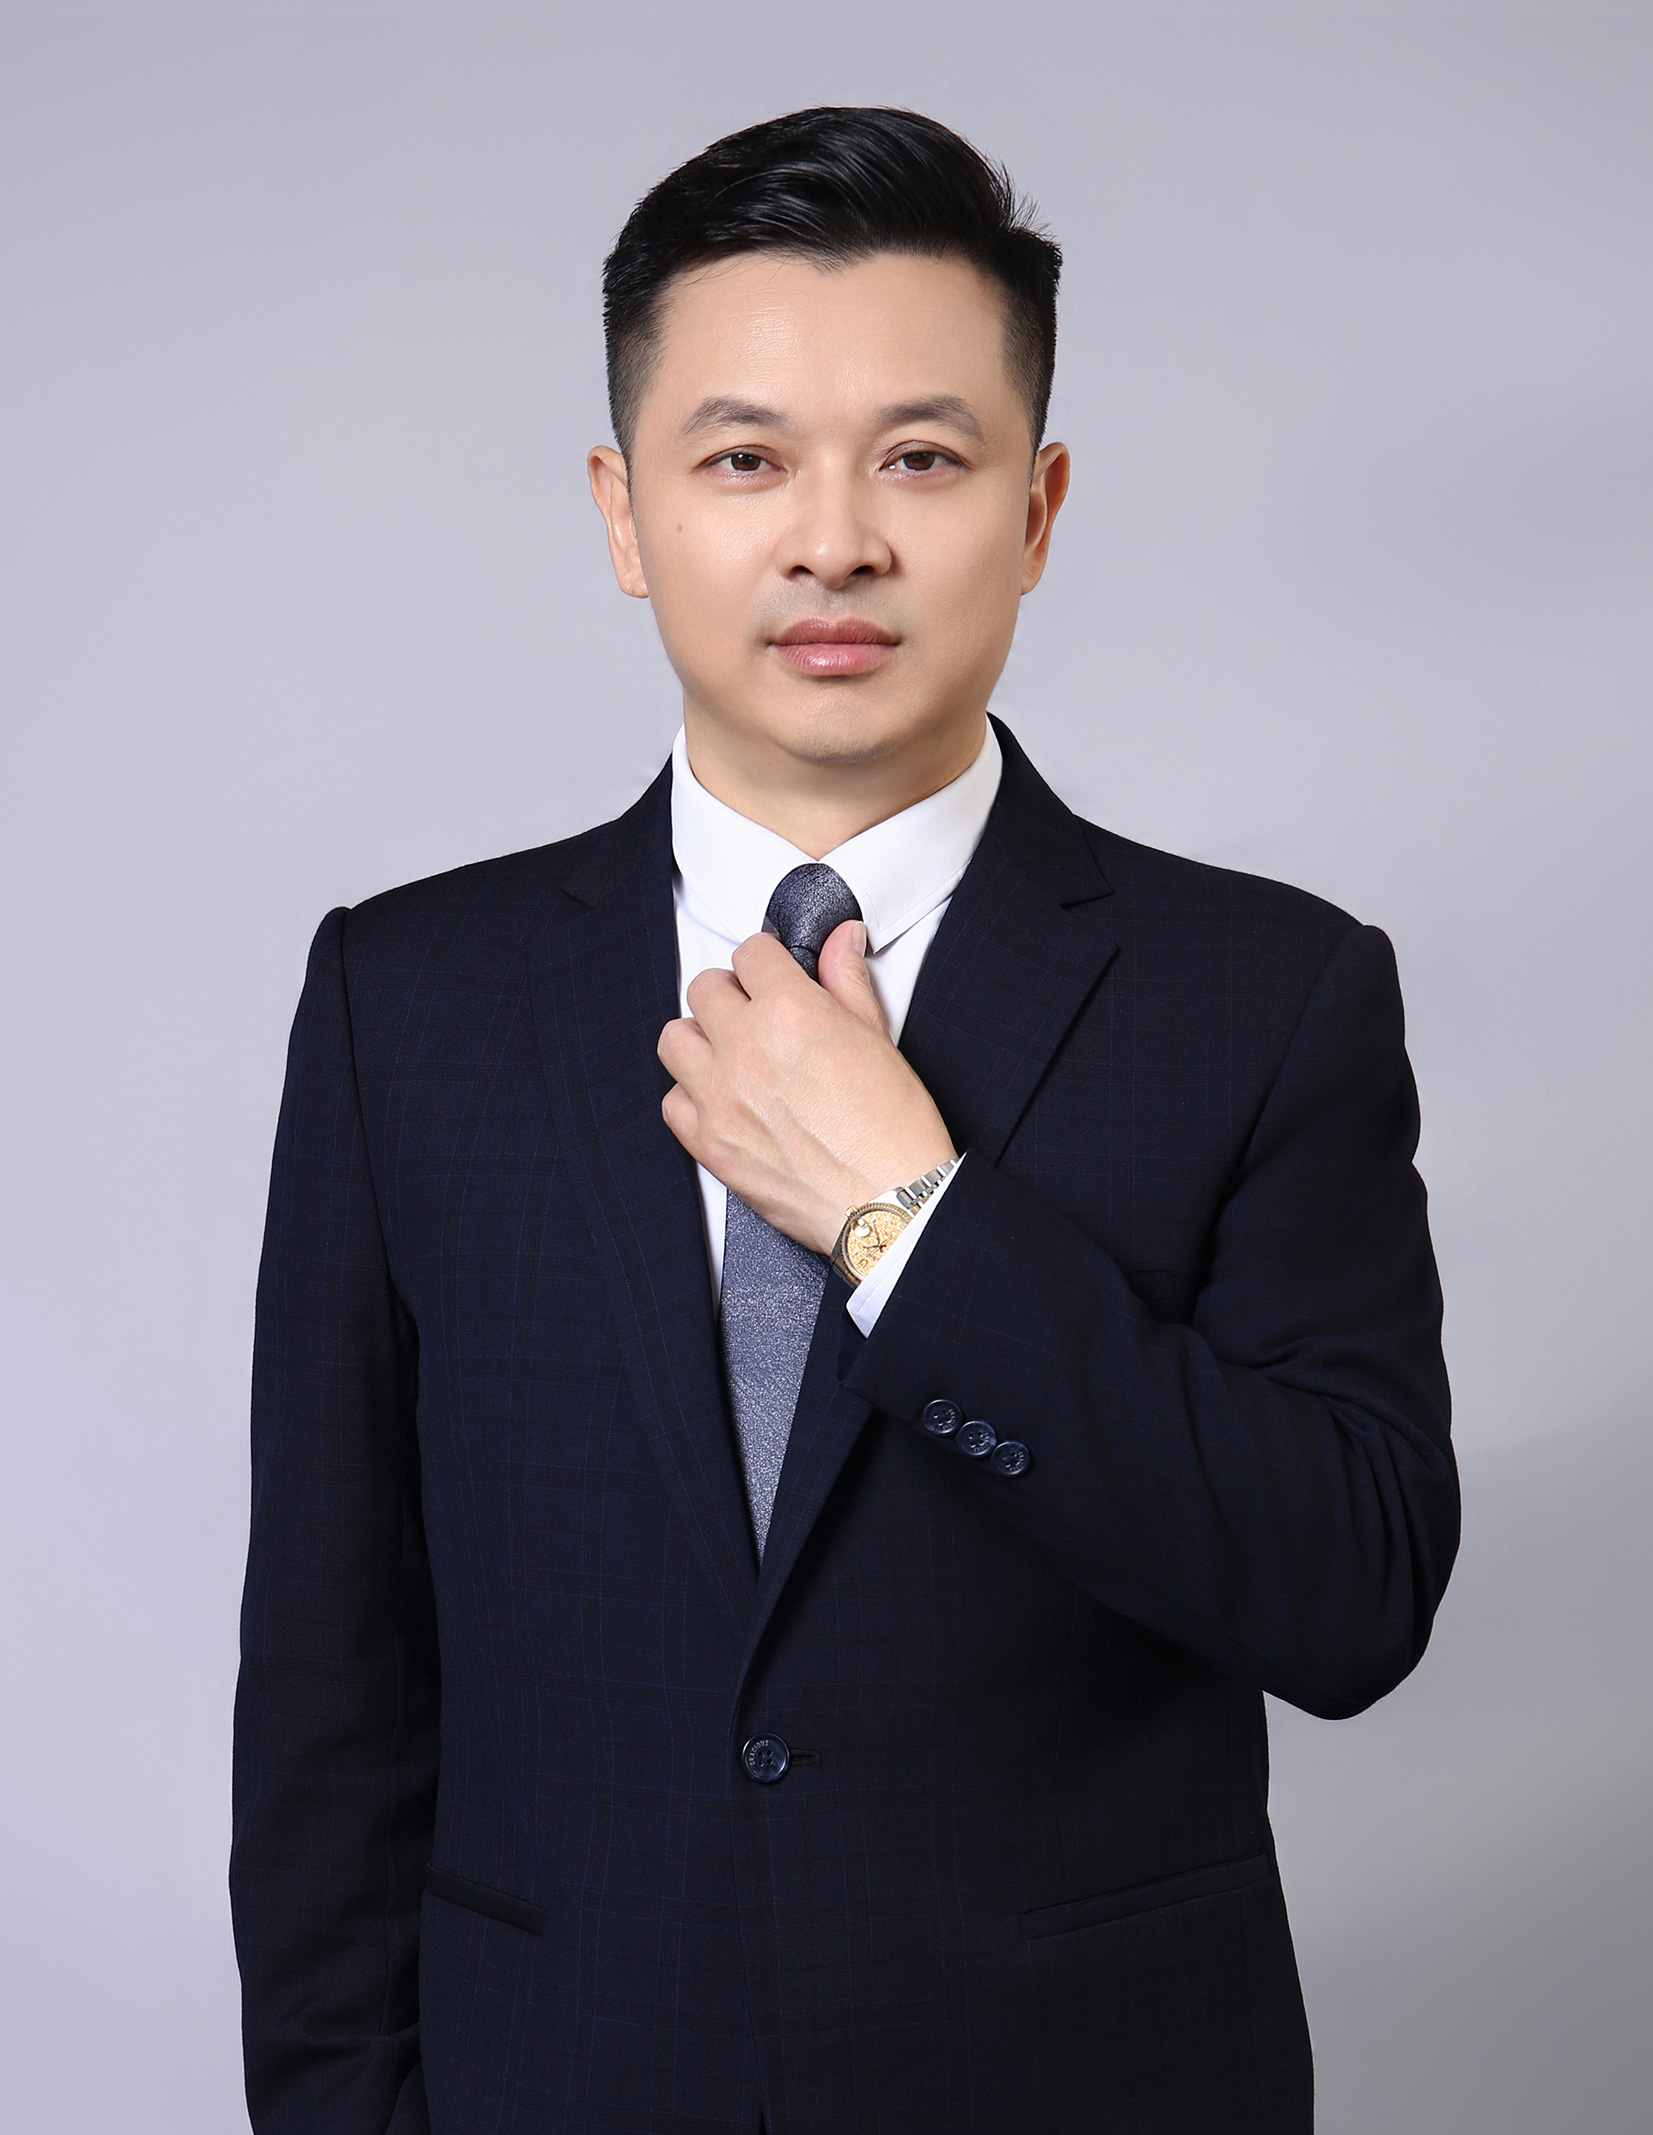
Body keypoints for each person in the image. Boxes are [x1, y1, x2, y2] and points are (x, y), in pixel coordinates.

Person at [231, 106, 1458, 2135]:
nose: (832, 543)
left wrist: (912, 1219)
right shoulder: (406, 1000)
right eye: (743, 460)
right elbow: (329, 1693)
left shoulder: (1266, 993)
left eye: (918, 458)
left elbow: (1347, 1598)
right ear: (624, 513)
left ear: (1036, 508)